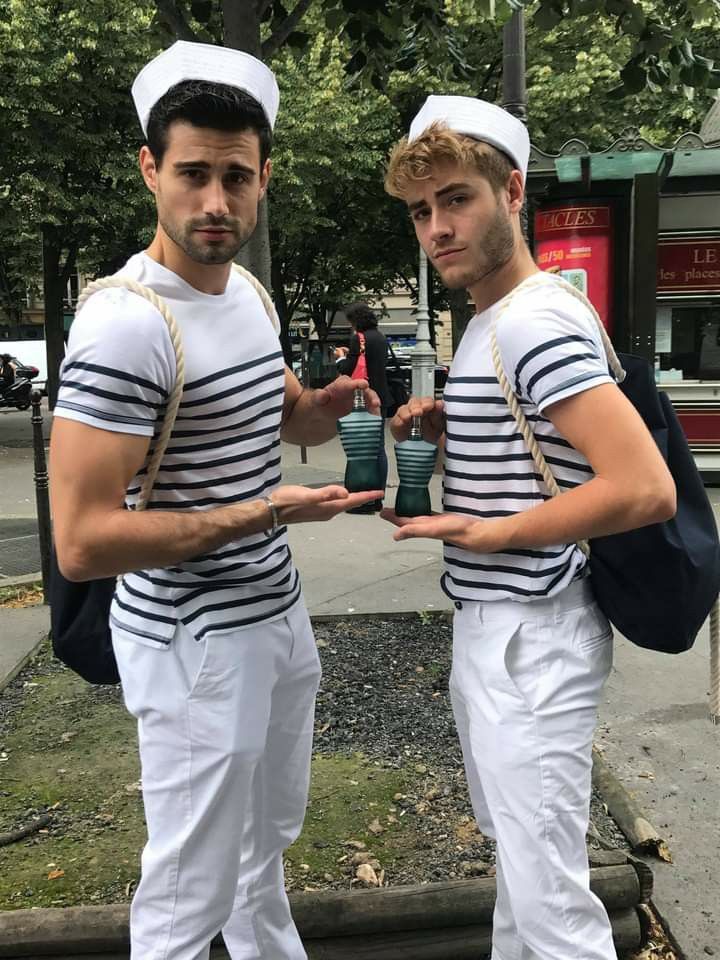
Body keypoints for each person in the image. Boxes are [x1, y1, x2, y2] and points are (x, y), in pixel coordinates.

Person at [49, 41, 381, 960]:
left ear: (263, 177)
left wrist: (328, 408)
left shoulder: (249, 296)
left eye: (236, 177)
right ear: (150, 168)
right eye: (192, 173)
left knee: (263, 850)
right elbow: (82, 543)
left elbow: (284, 423)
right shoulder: (125, 323)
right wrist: (265, 512)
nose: (214, 202)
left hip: (276, 618)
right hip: (191, 641)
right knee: (187, 890)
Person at [382, 95, 676, 960]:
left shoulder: (534, 323)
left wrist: (500, 533)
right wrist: (456, 426)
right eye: (421, 210)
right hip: (500, 628)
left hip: (534, 634)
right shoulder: (492, 320)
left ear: (511, 192)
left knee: (551, 902)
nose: (437, 227)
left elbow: (644, 487)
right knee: (525, 870)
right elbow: (549, 445)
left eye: (457, 199)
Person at [334, 301, 390, 510]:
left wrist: (340, 358)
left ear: (355, 320)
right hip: (381, 398)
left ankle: (362, 498)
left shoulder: (358, 338)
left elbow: (348, 369)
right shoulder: (380, 337)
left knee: (360, 449)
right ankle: (377, 497)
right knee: (378, 448)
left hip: (362, 398)